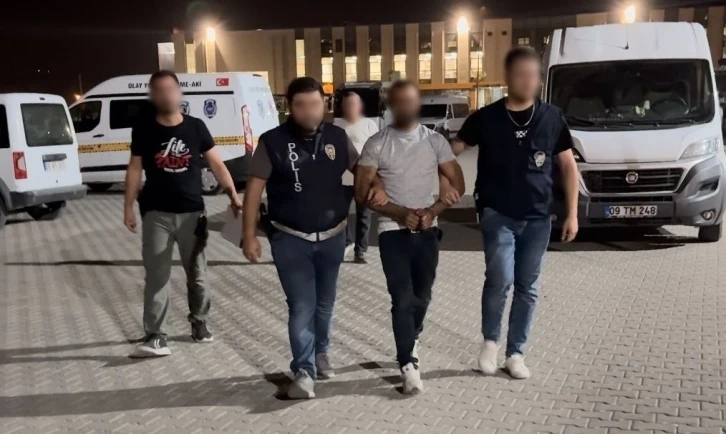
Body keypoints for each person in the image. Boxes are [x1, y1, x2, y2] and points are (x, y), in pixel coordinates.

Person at [242, 77, 387, 399]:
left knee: (325, 302)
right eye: (301, 105)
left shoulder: (337, 137)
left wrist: (377, 186)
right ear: (289, 107)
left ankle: (321, 353)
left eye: (315, 104)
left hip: (333, 236)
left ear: (325, 105)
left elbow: (362, 170)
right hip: (290, 238)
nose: (309, 111)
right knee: (301, 305)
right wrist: (249, 234)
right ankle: (303, 370)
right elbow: (253, 190)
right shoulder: (272, 141)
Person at [451, 47, 580, 379]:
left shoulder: (552, 117)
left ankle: (516, 353)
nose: (528, 81)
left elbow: (568, 166)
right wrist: (445, 180)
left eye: (533, 75)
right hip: (498, 213)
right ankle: (490, 343)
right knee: (500, 278)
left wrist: (572, 214)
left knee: (528, 286)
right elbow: (452, 150)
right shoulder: (487, 117)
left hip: (539, 217)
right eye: (521, 74)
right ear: (507, 77)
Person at [356, 80, 466, 394]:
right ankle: (407, 363)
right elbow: (361, 192)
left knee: (423, 297)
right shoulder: (377, 143)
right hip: (392, 232)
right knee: (402, 299)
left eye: (410, 101)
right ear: (390, 106)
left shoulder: (434, 140)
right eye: (399, 101)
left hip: (428, 230)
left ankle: (412, 336)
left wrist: (435, 208)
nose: (405, 107)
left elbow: (457, 182)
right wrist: (397, 211)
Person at [124, 70, 242, 358]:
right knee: (157, 276)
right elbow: (135, 168)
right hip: (156, 214)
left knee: (198, 275)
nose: (166, 95)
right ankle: (156, 335)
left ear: (179, 93)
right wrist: (128, 206)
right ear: (153, 96)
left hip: (192, 215)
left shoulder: (196, 127)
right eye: (159, 90)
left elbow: (217, 164)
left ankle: (199, 322)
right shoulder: (144, 128)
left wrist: (233, 194)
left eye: (170, 89)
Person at [334, 91, 379, 263]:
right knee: (339, 215)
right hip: (342, 179)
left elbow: (377, 151)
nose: (351, 108)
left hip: (365, 180)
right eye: (347, 105)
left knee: (364, 217)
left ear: (360, 106)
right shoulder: (336, 125)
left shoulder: (370, 125)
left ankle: (360, 252)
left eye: (354, 104)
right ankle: (347, 241)